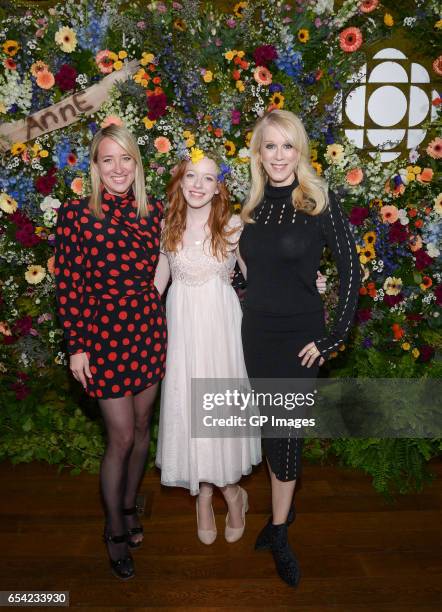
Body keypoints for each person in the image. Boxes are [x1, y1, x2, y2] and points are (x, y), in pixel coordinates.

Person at [154, 153, 326, 545]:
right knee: (187, 411)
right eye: (191, 177)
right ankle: (204, 497)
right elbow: (157, 285)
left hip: (223, 332)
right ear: (180, 181)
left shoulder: (233, 226)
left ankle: (233, 492)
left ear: (219, 187)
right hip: (183, 333)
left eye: (208, 178)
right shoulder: (168, 225)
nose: (198, 185)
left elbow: (262, 275)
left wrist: (305, 283)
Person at [239, 110, 360, 587]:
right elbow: (247, 271)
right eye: (270, 146)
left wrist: (334, 337)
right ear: (258, 153)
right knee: (272, 431)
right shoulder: (248, 209)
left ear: (300, 151)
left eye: (287, 146)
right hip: (257, 335)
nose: (279, 156)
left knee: (286, 435)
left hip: (300, 340)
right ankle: (281, 517)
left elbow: (352, 273)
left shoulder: (318, 201)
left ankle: (280, 532)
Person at [54, 125, 167, 580]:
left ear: (136, 164)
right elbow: (69, 286)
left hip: (147, 331)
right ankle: (114, 527)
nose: (118, 168)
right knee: (119, 436)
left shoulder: (154, 211)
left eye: (126, 159)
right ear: (95, 167)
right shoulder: (76, 216)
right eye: (107, 160)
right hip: (101, 337)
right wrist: (76, 346)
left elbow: (182, 257)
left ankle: (127, 502)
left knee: (142, 429)